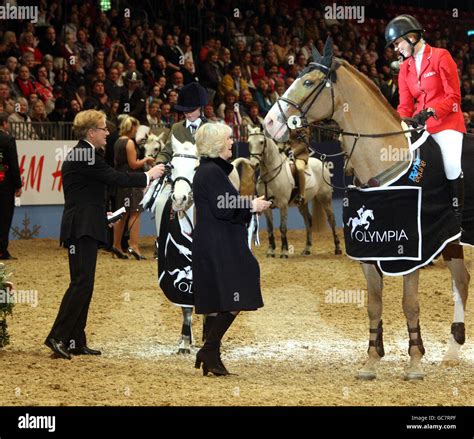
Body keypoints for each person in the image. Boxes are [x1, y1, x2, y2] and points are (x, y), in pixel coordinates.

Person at [45, 110, 165, 360]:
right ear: (91, 132)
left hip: (86, 224)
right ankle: (57, 337)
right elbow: (114, 177)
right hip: (80, 227)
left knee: (84, 283)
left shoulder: (87, 153)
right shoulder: (84, 154)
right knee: (80, 283)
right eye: (103, 129)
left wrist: (104, 213)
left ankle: (76, 338)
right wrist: (148, 175)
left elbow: (92, 189)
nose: (108, 133)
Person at [193, 122, 272, 376]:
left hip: (217, 242)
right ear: (217, 144)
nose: (231, 143)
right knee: (239, 290)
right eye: (228, 140)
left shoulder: (210, 170)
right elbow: (223, 206)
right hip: (220, 244)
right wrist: (252, 205)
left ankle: (211, 354)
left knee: (223, 298)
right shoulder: (211, 173)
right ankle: (209, 348)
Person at [385, 15, 466, 223]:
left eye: (397, 43)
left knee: (451, 164)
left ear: (411, 37)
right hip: (419, 126)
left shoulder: (441, 56)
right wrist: (401, 124)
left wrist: (430, 111)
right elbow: (404, 104)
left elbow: (454, 97)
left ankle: (457, 219)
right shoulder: (405, 68)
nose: (396, 49)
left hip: (447, 123)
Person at [112, 116, 154, 259]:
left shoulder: (118, 141)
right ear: (131, 127)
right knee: (135, 213)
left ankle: (116, 245)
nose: (137, 131)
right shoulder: (129, 143)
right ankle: (134, 246)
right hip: (131, 181)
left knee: (122, 214)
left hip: (121, 180)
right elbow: (134, 164)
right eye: (136, 128)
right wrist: (146, 160)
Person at [0, 113, 22, 260]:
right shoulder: (8, 140)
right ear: (4, 124)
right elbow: (13, 164)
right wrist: (18, 185)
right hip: (4, 184)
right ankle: (1, 250)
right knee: (4, 217)